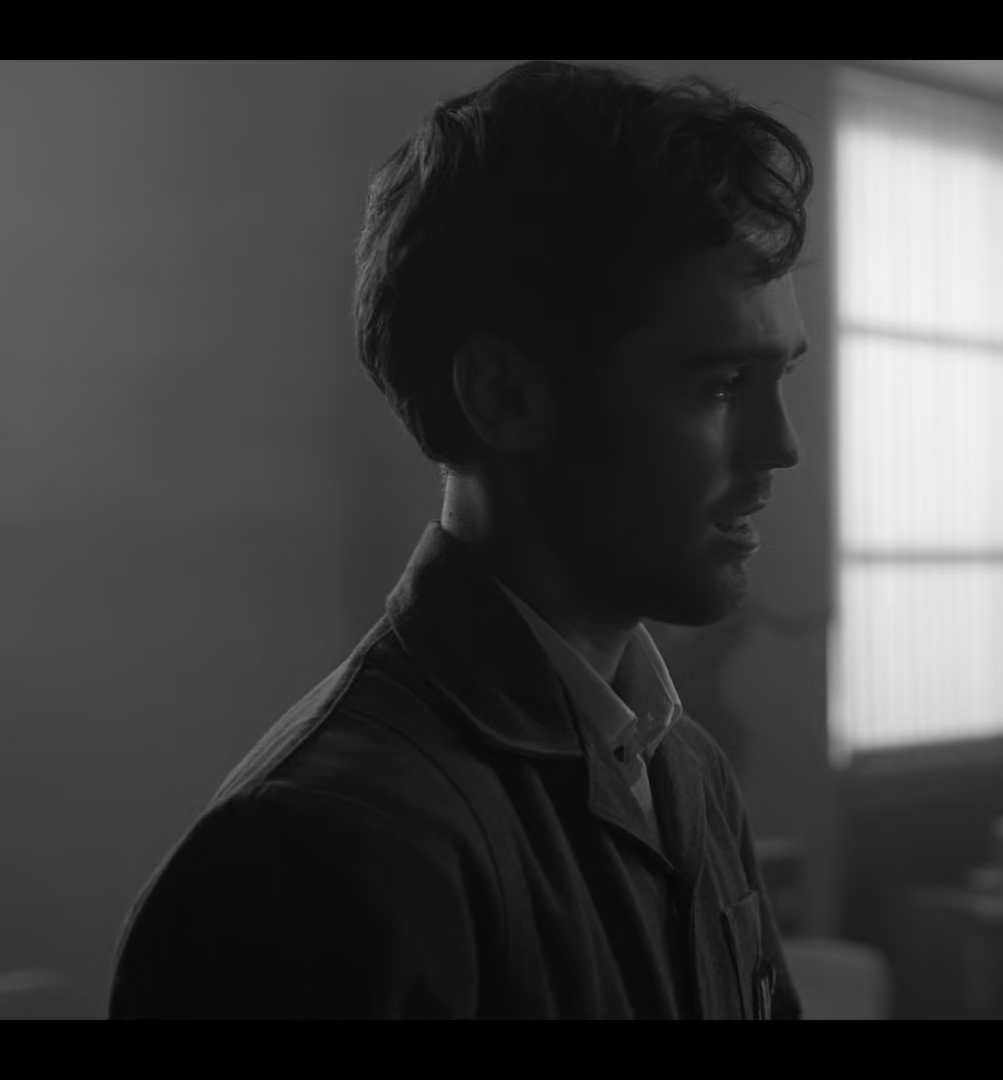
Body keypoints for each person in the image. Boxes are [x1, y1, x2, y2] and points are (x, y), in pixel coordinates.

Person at [109, 60, 813, 1019]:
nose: (783, 446)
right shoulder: (320, 851)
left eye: (780, 378)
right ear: (507, 396)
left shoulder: (686, 772)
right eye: (721, 384)